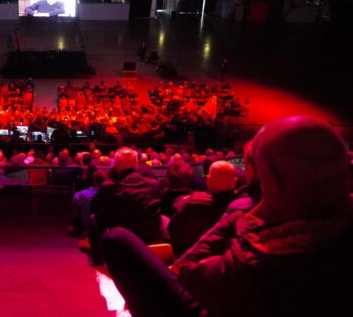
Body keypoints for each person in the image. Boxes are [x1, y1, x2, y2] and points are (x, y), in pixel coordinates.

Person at [101, 116, 353, 317]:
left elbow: (186, 272)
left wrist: (243, 218)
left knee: (118, 240)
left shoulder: (254, 261)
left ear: (272, 182)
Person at [89, 147, 164, 264]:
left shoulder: (109, 186)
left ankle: (99, 259)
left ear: (116, 165)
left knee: (93, 219)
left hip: (122, 238)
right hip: (149, 237)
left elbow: (94, 208)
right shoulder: (152, 184)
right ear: (136, 164)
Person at [168, 160, 237, 256]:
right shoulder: (244, 209)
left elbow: (173, 236)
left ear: (208, 180)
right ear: (235, 182)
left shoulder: (188, 205)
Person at [71, 170, 107, 235]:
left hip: (86, 225)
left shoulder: (80, 194)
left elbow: (75, 212)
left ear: (94, 180)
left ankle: (76, 229)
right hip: (104, 226)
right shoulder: (110, 195)